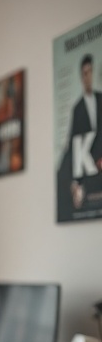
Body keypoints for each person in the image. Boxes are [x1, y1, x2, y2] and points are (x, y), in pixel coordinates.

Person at [57, 53, 102, 219]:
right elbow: (72, 143)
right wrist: (75, 183)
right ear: (81, 76)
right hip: (87, 166)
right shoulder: (77, 109)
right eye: (85, 73)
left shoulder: (101, 99)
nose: (88, 76)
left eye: (90, 71)